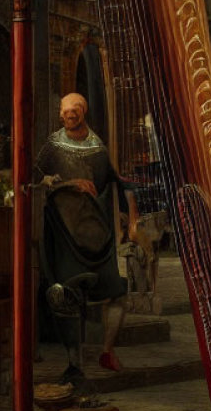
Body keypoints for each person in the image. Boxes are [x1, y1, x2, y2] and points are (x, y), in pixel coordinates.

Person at [34, 92, 138, 377]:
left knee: (117, 295)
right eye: (66, 111)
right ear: (60, 115)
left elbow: (120, 181)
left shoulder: (98, 147)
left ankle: (107, 351)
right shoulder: (53, 145)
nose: (70, 115)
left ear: (84, 112)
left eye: (76, 110)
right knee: (64, 294)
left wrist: (133, 217)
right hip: (64, 231)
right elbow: (34, 176)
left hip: (97, 234)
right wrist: (68, 183)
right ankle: (74, 361)